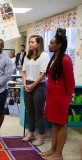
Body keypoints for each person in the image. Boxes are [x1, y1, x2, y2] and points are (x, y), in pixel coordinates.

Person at [39, 28, 75, 160]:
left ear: (59, 45)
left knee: (61, 124)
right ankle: (52, 149)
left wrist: (70, 95)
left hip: (61, 97)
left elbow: (70, 80)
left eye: (52, 43)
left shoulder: (65, 59)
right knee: (55, 123)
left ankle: (59, 154)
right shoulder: (54, 57)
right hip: (52, 96)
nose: (49, 45)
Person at [21, 35, 50, 146]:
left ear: (38, 44)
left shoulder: (44, 56)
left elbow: (43, 73)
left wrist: (33, 85)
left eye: (32, 42)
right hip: (27, 84)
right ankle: (31, 134)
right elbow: (23, 71)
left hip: (38, 86)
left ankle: (41, 136)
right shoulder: (27, 56)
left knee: (39, 113)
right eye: (29, 42)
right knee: (30, 112)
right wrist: (25, 83)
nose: (30, 44)